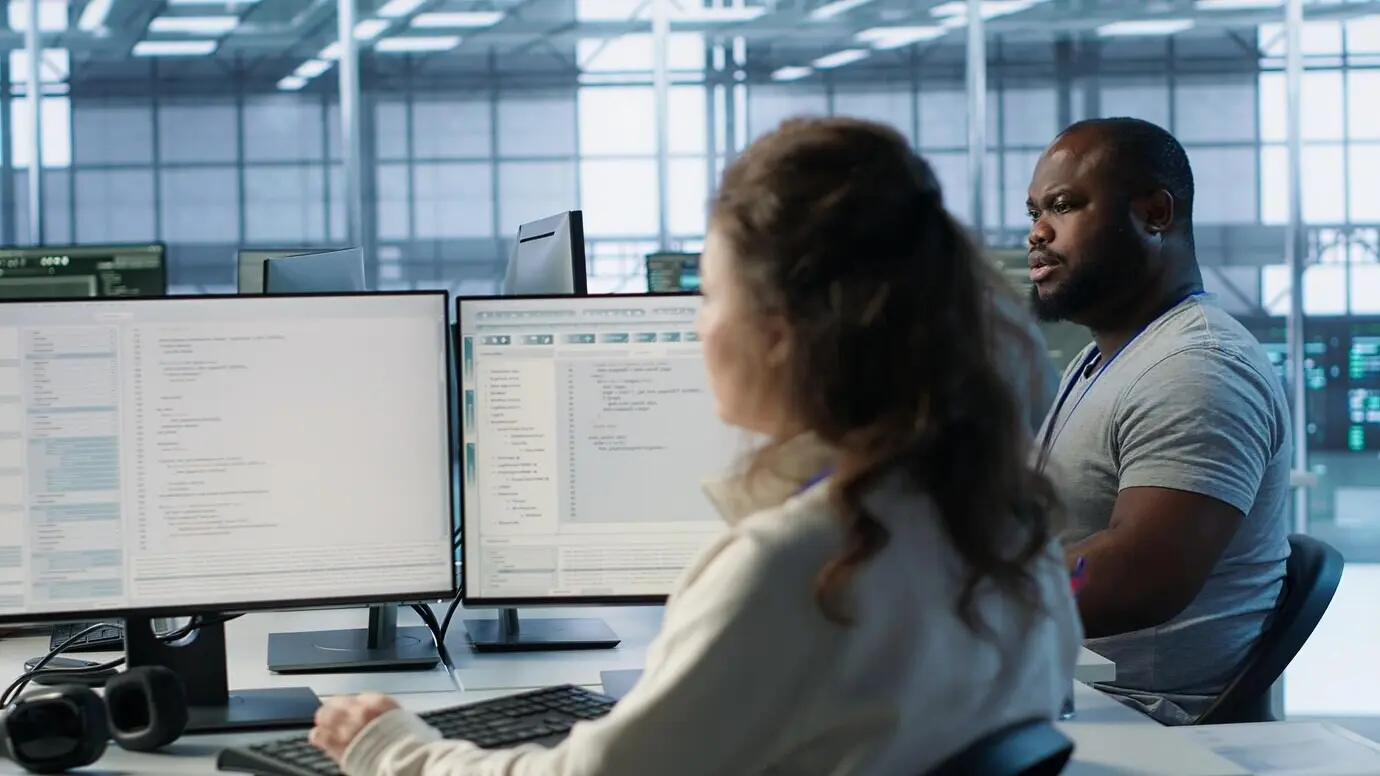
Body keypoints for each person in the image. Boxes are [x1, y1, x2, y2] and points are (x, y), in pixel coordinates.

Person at [308, 117, 1082, 775]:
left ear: (779, 335)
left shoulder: (795, 565)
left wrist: (389, 747)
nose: (697, 323)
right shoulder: (1005, 521)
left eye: (710, 294)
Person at [1025, 116, 1291, 725]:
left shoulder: (1196, 366)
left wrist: (951, 596)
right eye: (1034, 212)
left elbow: (1140, 575)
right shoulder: (1104, 359)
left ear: (1155, 213)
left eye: (1063, 207)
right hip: (1070, 690)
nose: (1038, 232)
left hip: (1142, 720)